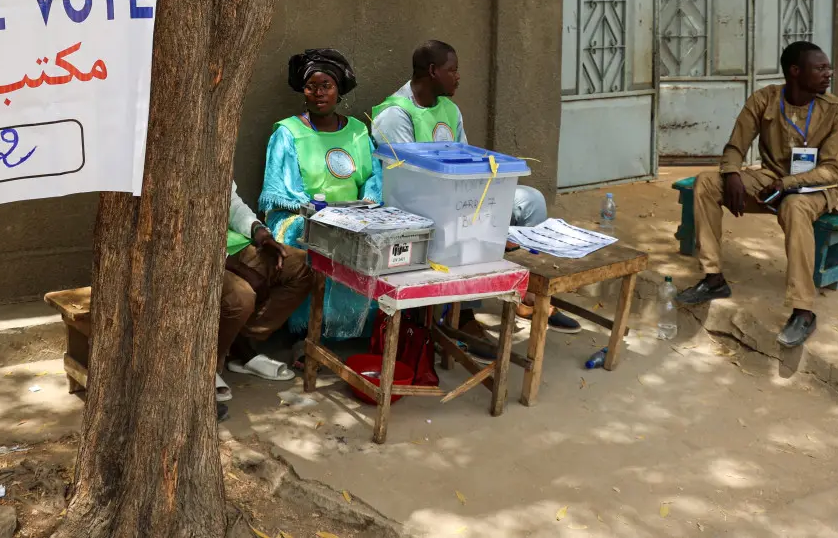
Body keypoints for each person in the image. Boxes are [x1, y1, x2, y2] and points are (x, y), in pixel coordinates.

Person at [371, 39, 581, 342]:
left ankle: (529, 295)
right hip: (415, 207)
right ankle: (464, 314)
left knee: (529, 201)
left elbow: (468, 162)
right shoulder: (395, 115)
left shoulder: (449, 110)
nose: (458, 77)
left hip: (457, 198)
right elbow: (404, 180)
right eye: (452, 70)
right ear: (432, 71)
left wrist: (493, 210)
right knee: (466, 224)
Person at [677, 41, 838, 348]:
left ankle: (803, 310)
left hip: (816, 187)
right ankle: (713, 278)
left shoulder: (837, 112)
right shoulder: (764, 100)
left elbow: (832, 171)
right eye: (820, 68)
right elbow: (735, 147)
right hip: (770, 177)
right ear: (795, 72)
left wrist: (788, 184)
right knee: (706, 182)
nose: (829, 73)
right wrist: (731, 174)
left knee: (795, 207)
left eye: (828, 67)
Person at [259, 48, 383, 340]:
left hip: (355, 214)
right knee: (315, 237)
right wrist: (318, 212)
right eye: (311, 86)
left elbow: (373, 179)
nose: (318, 93)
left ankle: (356, 328)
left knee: (373, 238)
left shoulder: (357, 132)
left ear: (338, 90)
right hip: (300, 215)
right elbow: (280, 189)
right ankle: (309, 333)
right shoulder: (287, 133)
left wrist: (364, 206)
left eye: (326, 86)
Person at [216, 181, 319, 407]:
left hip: (233, 245)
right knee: (241, 297)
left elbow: (231, 203)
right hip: (202, 255)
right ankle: (207, 367)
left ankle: (238, 345)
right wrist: (239, 269)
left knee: (303, 268)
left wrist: (260, 232)